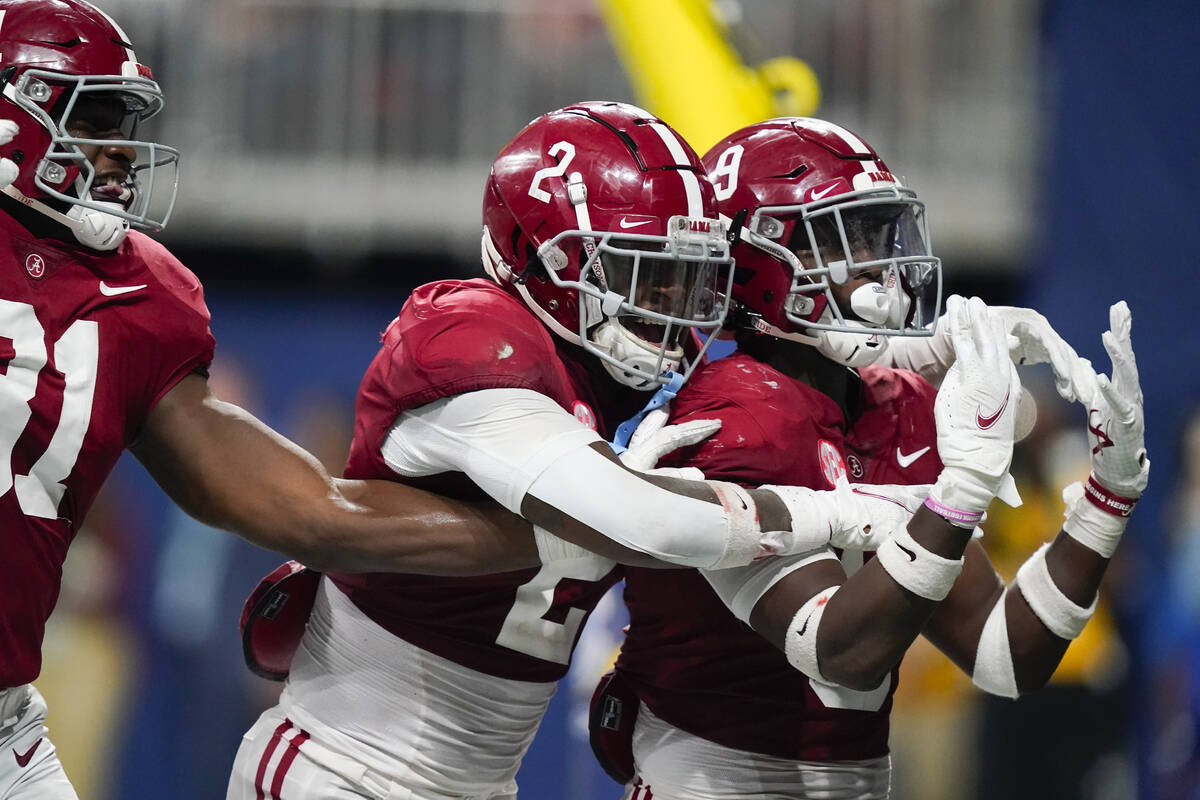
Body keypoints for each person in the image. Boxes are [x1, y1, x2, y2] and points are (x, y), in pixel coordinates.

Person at [224, 101, 998, 799]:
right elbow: (646, 521)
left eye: (682, 279)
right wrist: (848, 513)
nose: (667, 311)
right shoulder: (474, 341)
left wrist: (942, 348)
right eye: (642, 277)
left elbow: (789, 361)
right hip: (341, 770)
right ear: (550, 261)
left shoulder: (621, 376)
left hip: (479, 783)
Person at [0, 4, 569, 797]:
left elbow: (316, 513)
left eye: (122, 121)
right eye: (90, 116)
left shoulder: (132, 297)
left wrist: (570, 529)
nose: (118, 152)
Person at [599, 117, 1149, 799]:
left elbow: (1006, 653)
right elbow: (839, 652)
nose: (881, 265)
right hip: (711, 778)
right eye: (846, 238)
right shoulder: (737, 418)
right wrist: (963, 487)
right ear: (762, 259)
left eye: (877, 233)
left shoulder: (890, 403)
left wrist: (1105, 502)